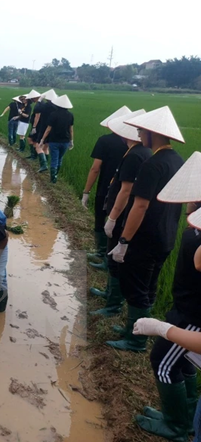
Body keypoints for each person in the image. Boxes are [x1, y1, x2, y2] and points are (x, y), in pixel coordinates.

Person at [128, 159, 201, 440]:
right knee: (183, 363)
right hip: (185, 307)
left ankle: (177, 425)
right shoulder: (194, 224)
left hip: (193, 316)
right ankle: (186, 416)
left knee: (163, 362)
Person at [107, 106, 185, 352]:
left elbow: (139, 206)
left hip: (146, 237)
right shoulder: (177, 160)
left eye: (142, 131)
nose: (139, 135)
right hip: (167, 235)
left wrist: (124, 241)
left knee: (137, 286)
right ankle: (137, 327)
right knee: (149, 285)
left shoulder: (153, 165)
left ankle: (136, 340)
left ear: (154, 134)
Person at [89, 110, 150, 316]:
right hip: (122, 212)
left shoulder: (135, 155)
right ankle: (109, 295)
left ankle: (112, 306)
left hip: (122, 215)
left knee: (115, 261)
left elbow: (126, 190)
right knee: (111, 256)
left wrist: (113, 217)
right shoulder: (139, 153)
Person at [83, 106, 131, 271]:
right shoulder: (135, 146)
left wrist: (86, 192)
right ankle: (109, 257)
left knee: (100, 219)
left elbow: (95, 168)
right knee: (117, 225)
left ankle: (101, 252)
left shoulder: (104, 141)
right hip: (127, 193)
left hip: (106, 189)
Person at [39, 94, 74, 184]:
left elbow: (48, 128)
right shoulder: (70, 115)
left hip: (54, 140)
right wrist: (71, 140)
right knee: (60, 158)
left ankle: (53, 179)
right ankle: (55, 175)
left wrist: (43, 139)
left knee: (54, 159)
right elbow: (71, 129)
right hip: (65, 141)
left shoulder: (53, 114)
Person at [33, 89, 58, 165]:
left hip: (44, 127)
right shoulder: (56, 107)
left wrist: (40, 100)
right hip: (53, 129)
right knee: (46, 147)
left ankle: (43, 165)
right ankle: (45, 163)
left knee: (38, 146)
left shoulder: (46, 106)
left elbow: (36, 109)